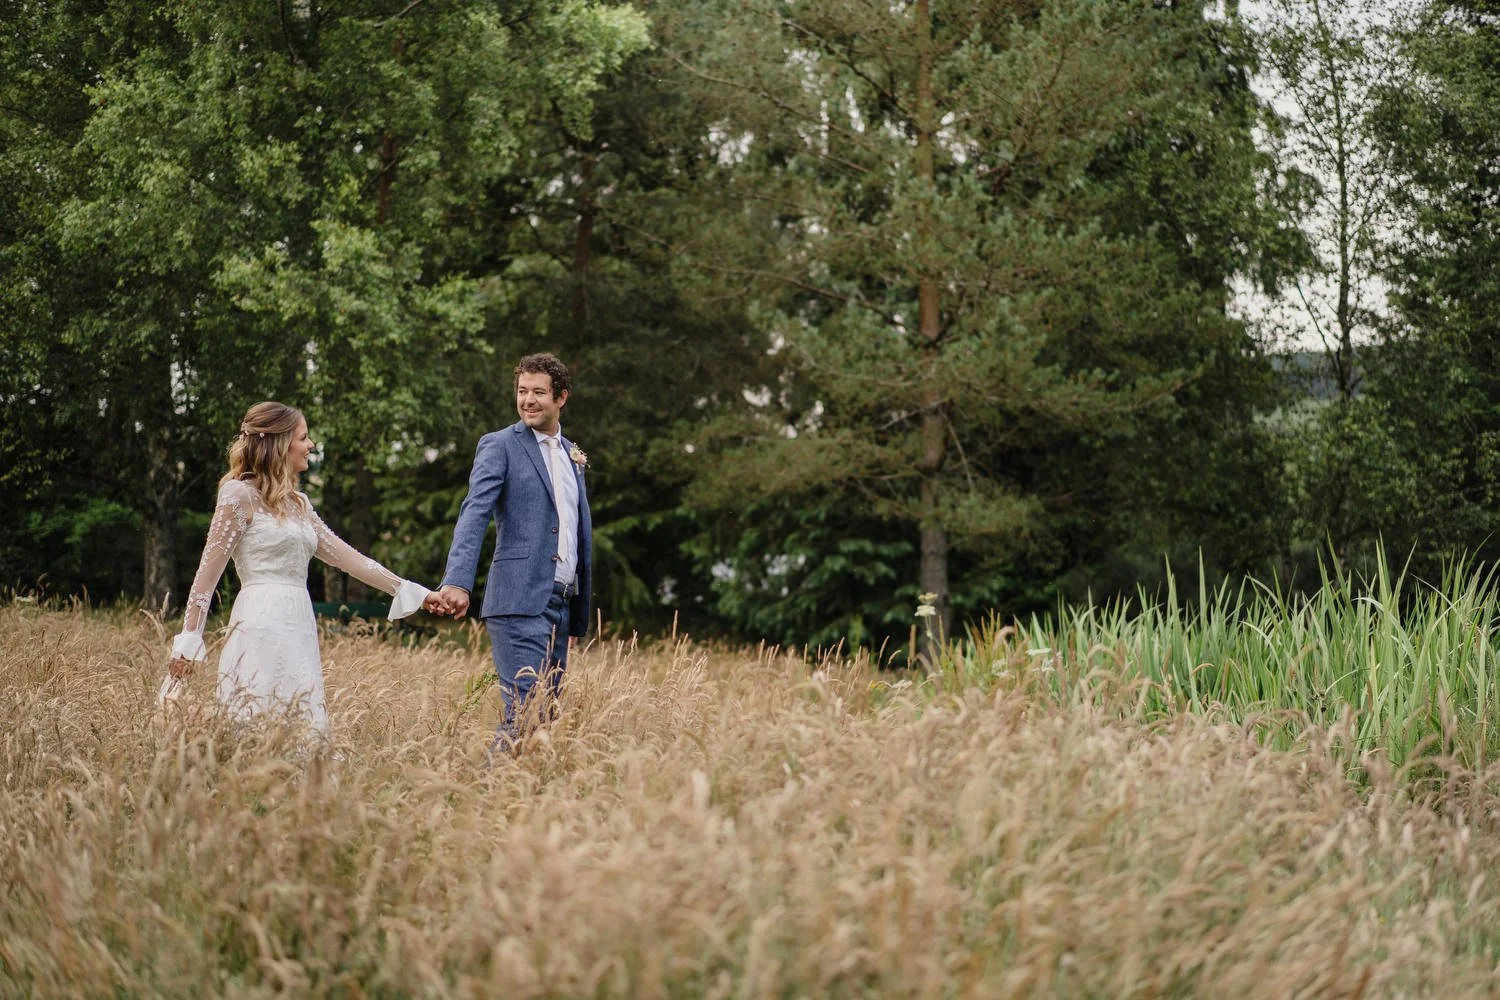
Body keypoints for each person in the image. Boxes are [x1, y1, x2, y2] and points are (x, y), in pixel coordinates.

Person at [160, 401, 448, 735]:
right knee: (256, 722)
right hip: (258, 622)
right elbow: (205, 579)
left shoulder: (300, 504)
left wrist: (414, 592)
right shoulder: (237, 496)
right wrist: (188, 641)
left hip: (299, 623)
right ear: (279, 443)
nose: (310, 445)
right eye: (303, 437)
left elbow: (352, 559)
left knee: (302, 724)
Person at [436, 353, 593, 755]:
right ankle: (488, 799)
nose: (528, 400)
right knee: (524, 712)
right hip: (518, 599)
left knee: (547, 718)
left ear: (562, 398)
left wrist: (576, 616)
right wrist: (456, 580)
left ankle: (527, 809)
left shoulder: (572, 454)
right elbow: (474, 513)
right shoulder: (500, 446)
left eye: (539, 392)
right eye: (522, 391)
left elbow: (576, 535)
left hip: (559, 603)